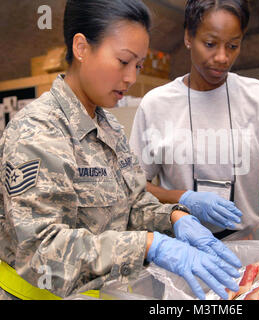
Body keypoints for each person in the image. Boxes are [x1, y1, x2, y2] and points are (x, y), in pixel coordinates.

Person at [0, 0, 242, 301]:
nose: (131, 78)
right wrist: (150, 245)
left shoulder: (109, 126)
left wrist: (175, 218)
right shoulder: (38, 130)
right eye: (123, 61)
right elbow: (41, 251)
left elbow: (132, 204)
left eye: (138, 65)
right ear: (82, 48)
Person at [130, 0, 259, 289]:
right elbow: (136, 187)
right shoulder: (156, 105)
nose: (222, 57)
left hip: (247, 254)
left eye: (233, 46)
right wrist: (182, 198)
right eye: (210, 44)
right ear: (187, 37)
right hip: (182, 256)